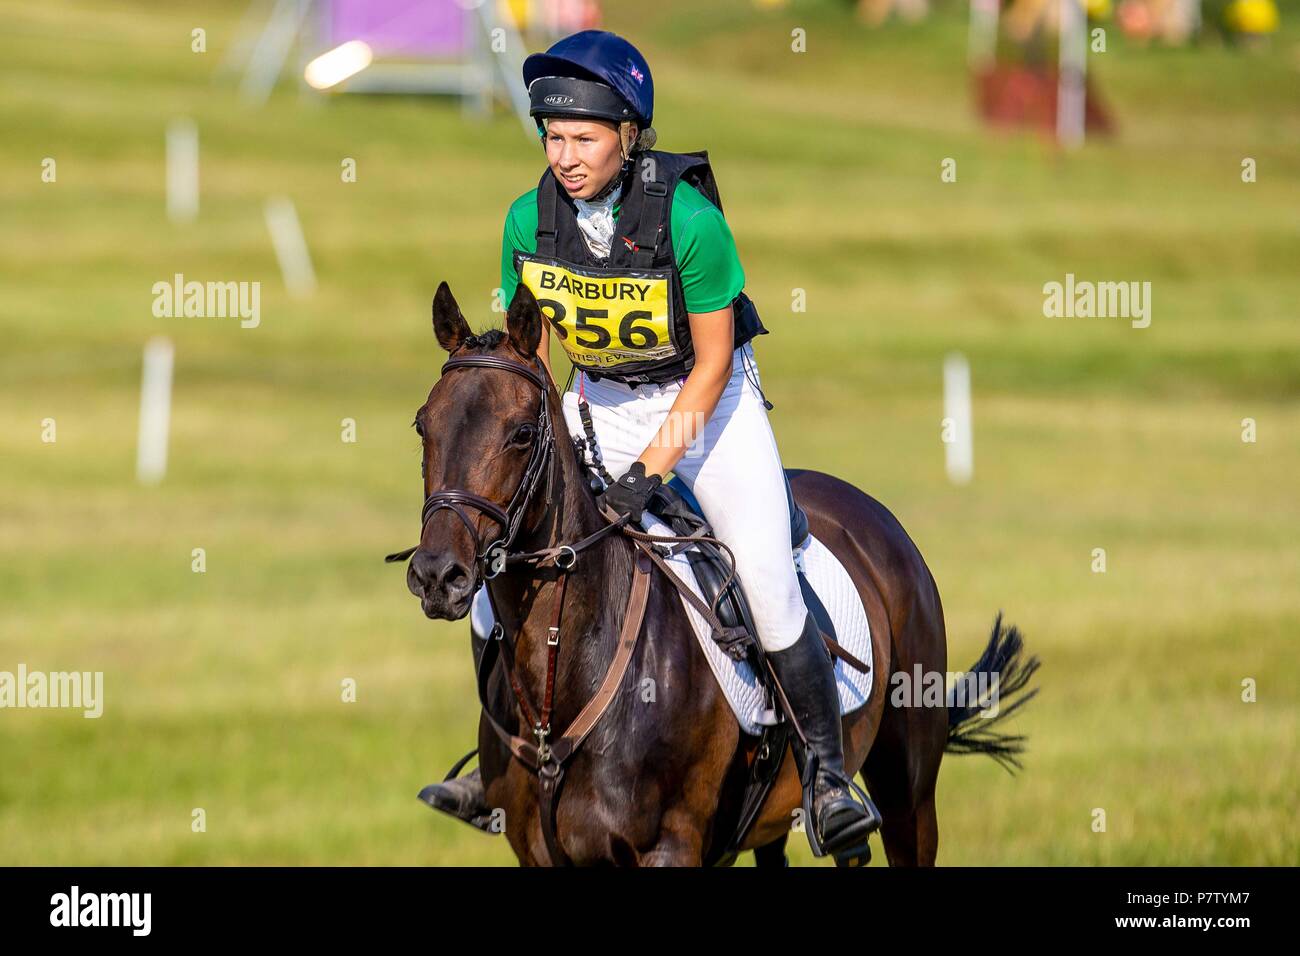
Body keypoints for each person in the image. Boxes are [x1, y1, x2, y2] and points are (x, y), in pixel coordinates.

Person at [420, 30, 880, 859]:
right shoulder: (527, 221)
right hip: (595, 399)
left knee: (769, 583)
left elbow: (710, 367)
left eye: (584, 138)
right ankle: (496, 767)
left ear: (629, 137)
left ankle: (824, 777)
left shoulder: (691, 222)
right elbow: (532, 352)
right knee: (495, 576)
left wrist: (647, 475)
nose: (565, 155)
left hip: (706, 408)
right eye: (553, 137)